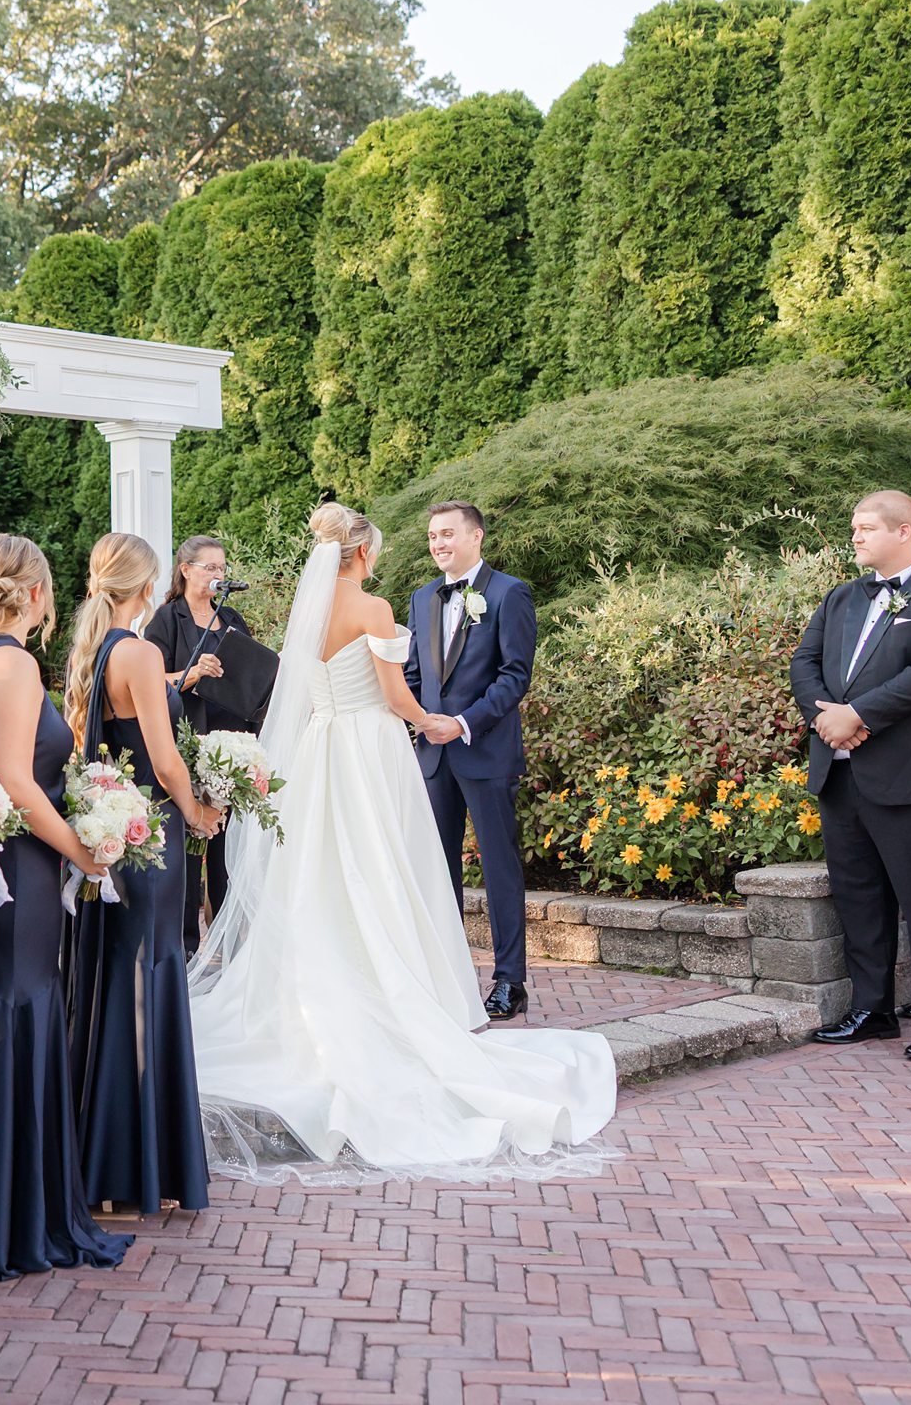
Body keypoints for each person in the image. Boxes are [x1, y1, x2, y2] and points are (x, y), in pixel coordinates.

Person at [188, 504, 616, 1178]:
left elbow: (300, 693)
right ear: (362, 555)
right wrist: (432, 722)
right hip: (371, 750)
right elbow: (395, 696)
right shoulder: (377, 606)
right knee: (382, 870)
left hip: (321, 750)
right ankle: (393, 998)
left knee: (324, 874)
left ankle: (317, 1001)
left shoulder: (310, 612)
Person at [0, 535, 132, 1277]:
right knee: (20, 1016)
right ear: (41, 594)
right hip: (18, 872)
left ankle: (0, 1196)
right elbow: (17, 781)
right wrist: (83, 851)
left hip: (2, 870)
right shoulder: (12, 662)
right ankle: (22, 1215)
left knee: (4, 1019)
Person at [788, 491, 911, 1062]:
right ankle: (873, 1009)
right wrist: (827, 717)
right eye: (854, 527)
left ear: (906, 533)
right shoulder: (842, 597)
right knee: (859, 899)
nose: (855, 536)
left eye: (866, 527)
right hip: (842, 774)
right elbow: (804, 661)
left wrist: (859, 715)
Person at [61, 533, 219, 1215]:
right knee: (148, 978)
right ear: (149, 585)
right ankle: (140, 1165)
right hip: (150, 835)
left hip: (109, 835)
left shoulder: (92, 652)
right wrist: (199, 812)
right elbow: (164, 761)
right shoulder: (143, 652)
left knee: (109, 981)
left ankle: (99, 1161)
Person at [404, 501, 536, 1019]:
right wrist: (415, 718)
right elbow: (415, 673)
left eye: (448, 534)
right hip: (432, 758)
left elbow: (514, 676)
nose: (439, 544)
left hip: (485, 752)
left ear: (476, 537)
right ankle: (449, 977)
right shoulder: (421, 598)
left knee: (500, 867)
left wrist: (461, 723)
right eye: (433, 536)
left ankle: (510, 981)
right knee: (438, 870)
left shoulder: (509, 593)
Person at [144, 535, 256, 945]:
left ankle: (229, 944)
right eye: (209, 567)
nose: (217, 574)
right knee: (192, 851)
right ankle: (186, 945)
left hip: (232, 749)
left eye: (222, 568)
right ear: (186, 569)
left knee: (229, 851)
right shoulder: (166, 620)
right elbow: (150, 683)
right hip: (189, 746)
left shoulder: (232, 619)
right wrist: (192, 674)